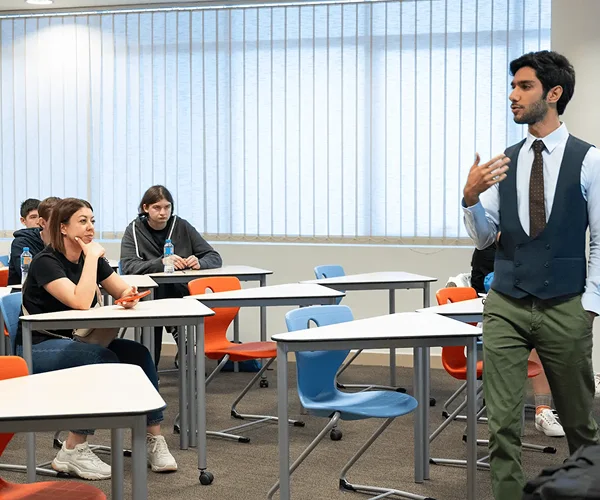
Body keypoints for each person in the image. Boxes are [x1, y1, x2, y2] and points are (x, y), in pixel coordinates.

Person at [462, 50, 600, 499]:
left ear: (554, 94)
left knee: (580, 425)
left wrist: (589, 308)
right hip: (506, 303)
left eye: (524, 87)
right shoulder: (506, 161)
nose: (513, 96)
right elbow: (486, 238)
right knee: (502, 424)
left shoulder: (589, 160)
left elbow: (599, 242)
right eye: (513, 86)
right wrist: (470, 199)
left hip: (565, 306)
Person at [16, 198, 177, 480]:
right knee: (100, 359)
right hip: (37, 347)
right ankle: (72, 449)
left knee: (138, 355)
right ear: (63, 228)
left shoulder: (90, 259)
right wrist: (91, 258)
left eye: (92, 221)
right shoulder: (46, 262)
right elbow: (80, 301)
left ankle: (152, 438)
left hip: (78, 341)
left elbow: (122, 289)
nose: (90, 227)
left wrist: (128, 296)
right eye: (82, 221)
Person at [120, 185, 222, 366]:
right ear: (145, 208)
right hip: (149, 295)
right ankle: (167, 353)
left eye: (167, 207)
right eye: (157, 207)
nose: (163, 212)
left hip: (179, 291)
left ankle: (180, 354)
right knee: (158, 301)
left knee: (172, 298)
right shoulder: (134, 230)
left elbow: (213, 256)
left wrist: (200, 262)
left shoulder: (181, 225)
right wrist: (162, 263)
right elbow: (128, 266)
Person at [473, 252, 565, 438]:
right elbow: (480, 283)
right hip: (495, 310)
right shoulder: (488, 250)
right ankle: (494, 408)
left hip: (530, 301)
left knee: (541, 337)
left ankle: (543, 410)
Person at [8, 199, 45, 285]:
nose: (38, 221)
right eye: (33, 217)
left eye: (40, 217)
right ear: (23, 220)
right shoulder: (19, 243)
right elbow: (29, 275)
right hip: (22, 290)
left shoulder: (49, 238)